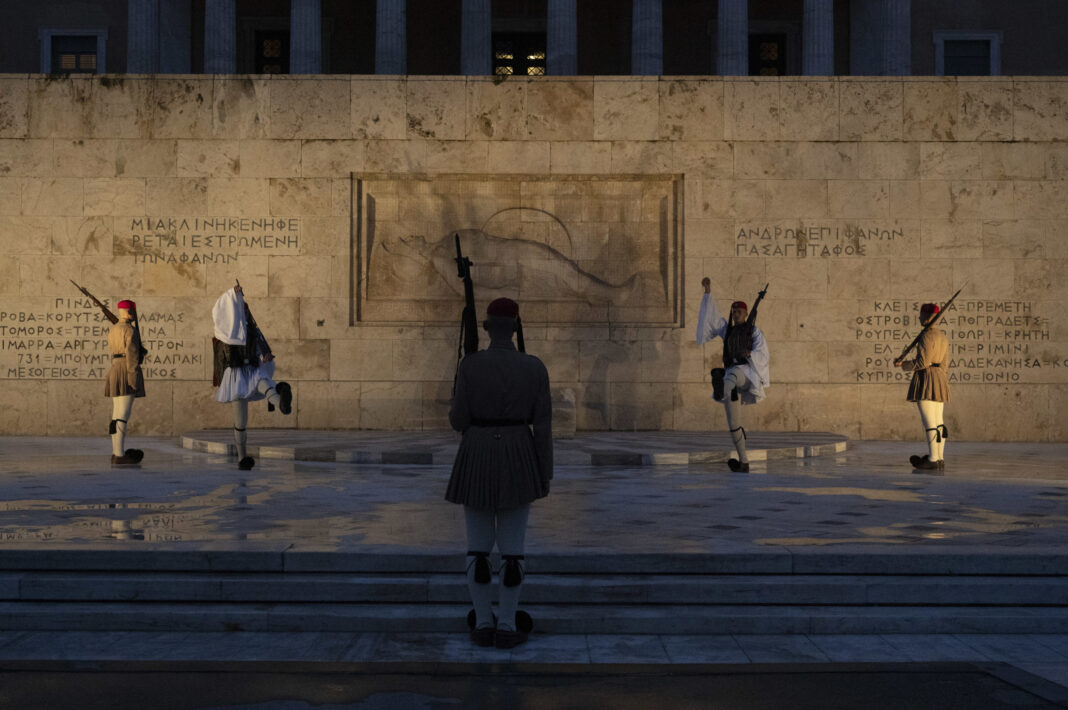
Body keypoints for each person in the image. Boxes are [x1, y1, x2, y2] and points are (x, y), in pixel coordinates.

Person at [446, 297, 552, 649]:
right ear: (517, 327)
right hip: (519, 452)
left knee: (477, 548)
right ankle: (506, 624)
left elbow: (458, 420)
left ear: (488, 328)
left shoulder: (471, 365)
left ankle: (482, 623)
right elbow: (543, 426)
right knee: (512, 550)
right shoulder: (534, 367)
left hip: (477, 450)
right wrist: (544, 472)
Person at [212, 283, 292, 471]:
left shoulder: (251, 331)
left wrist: (265, 356)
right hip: (236, 375)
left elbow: (262, 348)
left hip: (251, 370)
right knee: (241, 421)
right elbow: (220, 309)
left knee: (264, 384)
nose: (244, 314)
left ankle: (282, 403)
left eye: (245, 311)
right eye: (240, 311)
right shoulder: (226, 332)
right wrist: (232, 294)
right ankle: (242, 458)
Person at [696, 276, 771, 473]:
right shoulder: (727, 330)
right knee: (734, 423)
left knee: (731, 375)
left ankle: (720, 387)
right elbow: (712, 318)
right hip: (731, 378)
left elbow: (764, 353)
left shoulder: (753, 331)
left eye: (739, 312)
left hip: (746, 374)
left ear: (746, 314)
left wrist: (751, 354)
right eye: (734, 311)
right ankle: (743, 462)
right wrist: (707, 292)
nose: (736, 314)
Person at [894, 302, 950, 470]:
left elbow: (922, 362)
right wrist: (938, 375)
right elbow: (945, 364)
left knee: (930, 422)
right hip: (939, 378)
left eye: (920, 315)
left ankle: (932, 459)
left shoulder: (927, 336)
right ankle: (939, 458)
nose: (919, 318)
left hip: (926, 378)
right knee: (939, 422)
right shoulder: (942, 336)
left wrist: (903, 365)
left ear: (927, 317)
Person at [105, 299, 145, 466]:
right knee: (123, 415)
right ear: (130, 312)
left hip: (115, 369)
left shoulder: (113, 329)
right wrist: (133, 379)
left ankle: (116, 453)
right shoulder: (130, 330)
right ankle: (120, 455)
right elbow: (132, 357)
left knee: (116, 415)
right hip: (126, 370)